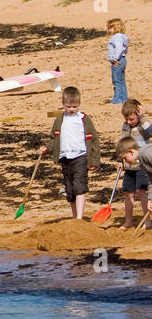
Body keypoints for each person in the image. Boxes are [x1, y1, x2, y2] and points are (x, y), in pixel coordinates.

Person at [38, 86, 99, 220]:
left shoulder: (84, 119)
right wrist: (47, 148)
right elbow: (54, 139)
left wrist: (94, 161)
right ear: (63, 104)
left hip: (80, 156)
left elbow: (94, 140)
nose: (72, 109)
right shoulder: (59, 120)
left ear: (79, 104)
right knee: (69, 190)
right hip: (65, 158)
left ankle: (79, 217)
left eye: (75, 106)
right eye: (69, 106)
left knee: (79, 186)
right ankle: (74, 216)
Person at [117, 100, 152, 227]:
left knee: (141, 191)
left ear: (137, 115)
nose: (128, 122)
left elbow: (151, 131)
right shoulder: (125, 126)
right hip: (128, 165)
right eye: (126, 119)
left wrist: (142, 117)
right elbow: (122, 143)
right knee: (127, 192)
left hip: (142, 165)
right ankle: (129, 220)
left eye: (131, 119)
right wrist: (120, 160)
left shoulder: (143, 124)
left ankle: (147, 220)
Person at [107, 18, 129, 105]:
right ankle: (123, 97)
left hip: (118, 60)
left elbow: (119, 49)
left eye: (111, 28)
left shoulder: (117, 37)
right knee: (121, 80)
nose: (109, 30)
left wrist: (115, 59)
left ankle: (118, 98)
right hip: (122, 59)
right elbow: (125, 49)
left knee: (116, 80)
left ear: (116, 27)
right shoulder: (123, 37)